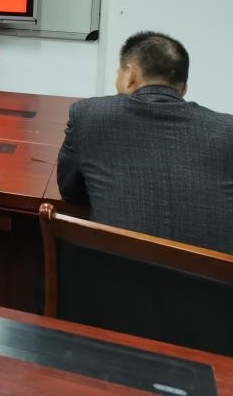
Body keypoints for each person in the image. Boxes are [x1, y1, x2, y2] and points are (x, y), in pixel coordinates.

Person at [57, 31, 233, 254]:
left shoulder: (90, 115)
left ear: (130, 75)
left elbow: (70, 191)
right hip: (210, 276)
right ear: (183, 88)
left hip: (113, 273)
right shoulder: (227, 130)